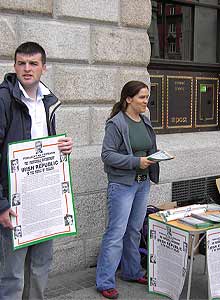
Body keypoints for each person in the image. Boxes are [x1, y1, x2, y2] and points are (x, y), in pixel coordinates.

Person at [0, 42, 73, 300]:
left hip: (46, 197)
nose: (27, 69)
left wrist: (63, 146)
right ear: (15, 66)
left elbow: (45, 145)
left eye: (33, 63)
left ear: (44, 67)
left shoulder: (48, 100)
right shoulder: (3, 99)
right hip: (15, 199)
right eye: (21, 63)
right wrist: (1, 204)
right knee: (13, 273)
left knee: (41, 266)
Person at [96, 81, 159, 299]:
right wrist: (136, 162)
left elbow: (149, 147)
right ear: (128, 99)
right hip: (123, 185)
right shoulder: (116, 123)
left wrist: (154, 158)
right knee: (116, 233)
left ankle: (132, 272)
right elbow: (107, 155)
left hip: (142, 183)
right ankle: (105, 281)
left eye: (146, 97)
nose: (146, 101)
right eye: (142, 97)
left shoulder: (144, 120)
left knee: (133, 230)